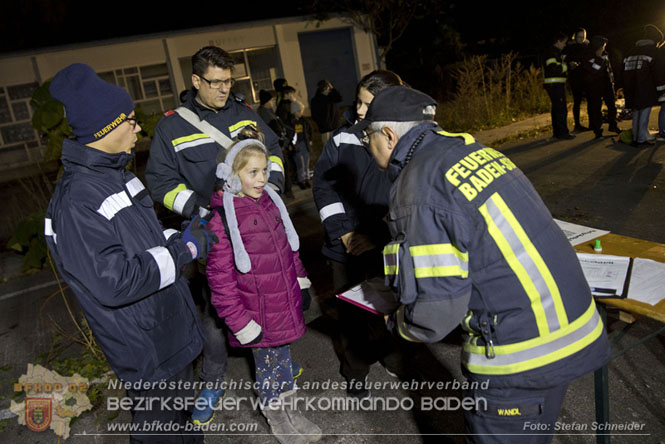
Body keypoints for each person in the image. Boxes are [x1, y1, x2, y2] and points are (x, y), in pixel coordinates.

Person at [350, 85, 611, 443]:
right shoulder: (469, 150)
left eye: (368, 137)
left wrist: (396, 323)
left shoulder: (418, 186)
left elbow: (435, 313)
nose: (368, 146)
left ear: (390, 134)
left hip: (520, 359)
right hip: (567, 328)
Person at [44, 63, 217, 443]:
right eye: (131, 121)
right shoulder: (76, 202)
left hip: (167, 329)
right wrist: (185, 249)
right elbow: (114, 280)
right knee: (158, 434)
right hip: (146, 348)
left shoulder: (118, 175)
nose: (139, 128)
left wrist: (182, 233)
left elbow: (144, 240)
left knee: (182, 429)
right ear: (106, 128)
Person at [145, 45, 285, 425]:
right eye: (215, 82)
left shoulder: (245, 114)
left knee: (264, 297)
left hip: (255, 228)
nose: (224, 89)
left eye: (229, 82)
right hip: (211, 231)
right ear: (195, 80)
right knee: (213, 311)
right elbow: (159, 182)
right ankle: (211, 381)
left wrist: (273, 189)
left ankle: (274, 372)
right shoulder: (172, 126)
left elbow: (272, 152)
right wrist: (200, 210)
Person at [206, 136, 321, 444]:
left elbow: (289, 248)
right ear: (232, 175)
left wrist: (301, 281)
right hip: (255, 314)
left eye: (264, 171)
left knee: (283, 362)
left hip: (281, 303)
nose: (261, 179)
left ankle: (292, 413)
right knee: (269, 369)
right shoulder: (221, 220)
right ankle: (279, 421)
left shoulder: (270, 201)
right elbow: (220, 281)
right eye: (252, 173)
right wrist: (240, 323)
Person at [312, 70, 409, 399]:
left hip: (389, 245)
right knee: (351, 314)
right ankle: (355, 371)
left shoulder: (407, 143)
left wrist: (378, 235)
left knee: (394, 305)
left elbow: (410, 200)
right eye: (358, 102)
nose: (361, 110)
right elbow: (324, 187)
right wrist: (344, 232)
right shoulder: (343, 138)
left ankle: (395, 358)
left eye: (369, 104)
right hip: (346, 248)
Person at [622, 25, 662, 147]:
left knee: (636, 113)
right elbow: (658, 72)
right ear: (655, 40)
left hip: (631, 88)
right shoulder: (654, 52)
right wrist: (661, 89)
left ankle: (635, 138)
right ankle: (641, 139)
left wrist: (623, 87)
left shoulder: (631, 51)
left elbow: (622, 70)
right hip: (646, 88)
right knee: (644, 113)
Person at [257, 89, 295, 198]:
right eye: (272, 100)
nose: (273, 102)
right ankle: (286, 191)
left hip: (280, 146)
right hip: (275, 148)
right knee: (283, 167)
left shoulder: (268, 112)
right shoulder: (264, 113)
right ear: (267, 101)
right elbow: (274, 131)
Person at [582, 36, 619, 139]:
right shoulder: (588, 56)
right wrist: (598, 58)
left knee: (612, 105)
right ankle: (597, 130)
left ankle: (613, 125)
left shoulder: (605, 55)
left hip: (607, 84)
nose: (604, 48)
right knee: (596, 108)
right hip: (594, 86)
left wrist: (612, 82)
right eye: (603, 46)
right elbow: (594, 70)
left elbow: (609, 70)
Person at [544, 32, 575, 140]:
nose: (565, 45)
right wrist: (567, 66)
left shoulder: (555, 52)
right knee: (561, 109)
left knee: (557, 109)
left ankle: (558, 133)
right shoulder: (551, 53)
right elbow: (554, 68)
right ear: (558, 41)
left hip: (555, 84)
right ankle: (562, 133)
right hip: (554, 85)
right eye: (564, 42)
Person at [564, 28, 590, 132]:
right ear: (575, 37)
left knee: (590, 100)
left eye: (583, 37)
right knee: (577, 101)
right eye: (579, 37)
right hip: (575, 77)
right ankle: (577, 125)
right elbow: (565, 60)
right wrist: (570, 64)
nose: (581, 39)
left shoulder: (588, 46)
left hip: (587, 77)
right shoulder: (570, 47)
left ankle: (592, 123)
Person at [310, 79, 342, 144]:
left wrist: (332, 88)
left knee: (339, 147)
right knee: (328, 148)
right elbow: (314, 115)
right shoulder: (316, 100)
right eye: (327, 89)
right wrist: (321, 123)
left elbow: (339, 98)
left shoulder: (331, 97)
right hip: (325, 129)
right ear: (323, 90)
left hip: (335, 127)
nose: (329, 91)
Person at [291, 100, 313, 189]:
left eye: (301, 111)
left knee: (306, 162)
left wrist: (310, 139)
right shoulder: (291, 122)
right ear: (294, 111)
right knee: (300, 164)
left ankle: (307, 179)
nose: (301, 113)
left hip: (305, 143)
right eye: (299, 111)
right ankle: (301, 180)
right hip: (297, 145)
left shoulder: (304, 120)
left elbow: (310, 130)